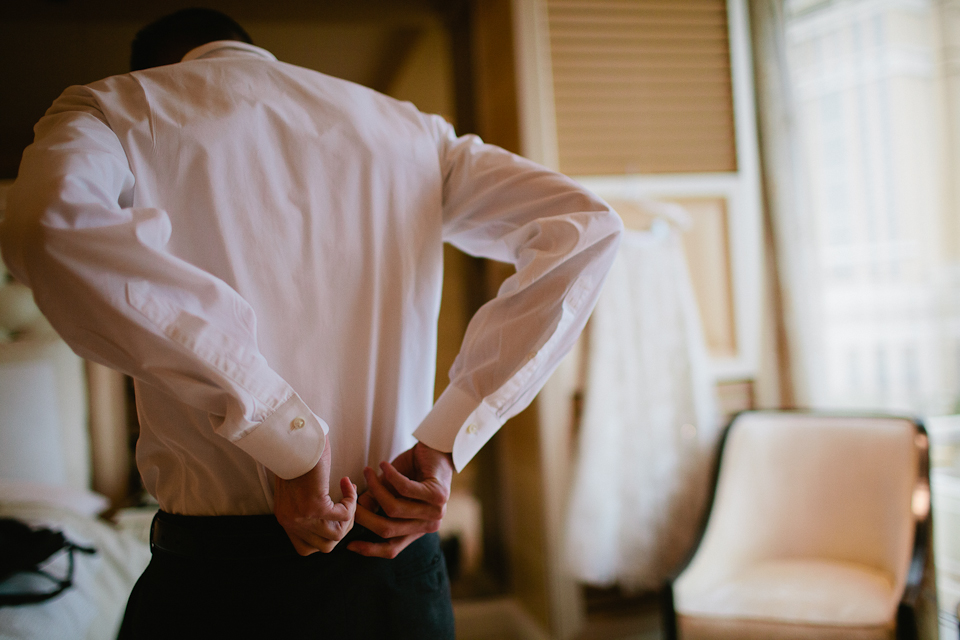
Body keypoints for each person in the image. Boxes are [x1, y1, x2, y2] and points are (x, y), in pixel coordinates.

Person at [0, 8, 622, 639]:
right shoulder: (411, 131)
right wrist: (447, 438)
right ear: (254, 51)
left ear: (154, 68)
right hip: (396, 576)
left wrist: (288, 439)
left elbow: (47, 226)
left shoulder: (115, 109)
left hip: (223, 584)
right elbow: (586, 228)